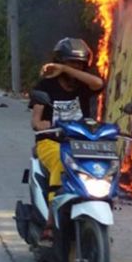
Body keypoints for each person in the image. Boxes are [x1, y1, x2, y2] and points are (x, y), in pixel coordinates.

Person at [30, 38, 104, 240]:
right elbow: (36, 121)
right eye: (71, 62)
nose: (76, 66)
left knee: (102, 166)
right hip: (51, 142)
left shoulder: (83, 85)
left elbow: (98, 83)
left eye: (80, 64)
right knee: (62, 164)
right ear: (60, 60)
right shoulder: (46, 85)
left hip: (81, 142)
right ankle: (50, 224)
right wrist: (45, 125)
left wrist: (66, 69)